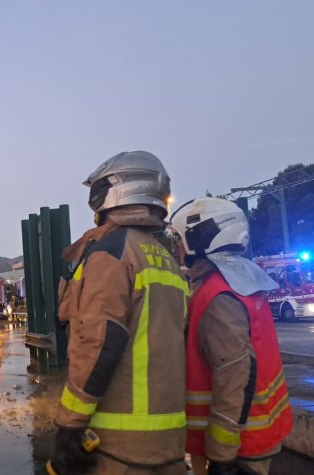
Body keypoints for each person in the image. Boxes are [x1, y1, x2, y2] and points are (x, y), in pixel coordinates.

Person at [50, 151, 189, 474]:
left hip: (119, 446)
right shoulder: (166, 260)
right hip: (167, 444)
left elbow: (100, 341)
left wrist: (70, 424)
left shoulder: (112, 252)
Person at [170, 197, 292, 475]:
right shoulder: (243, 281)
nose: (177, 248)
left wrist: (222, 458)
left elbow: (234, 375)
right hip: (255, 431)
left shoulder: (218, 298)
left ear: (201, 239)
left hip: (235, 445)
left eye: (180, 239)